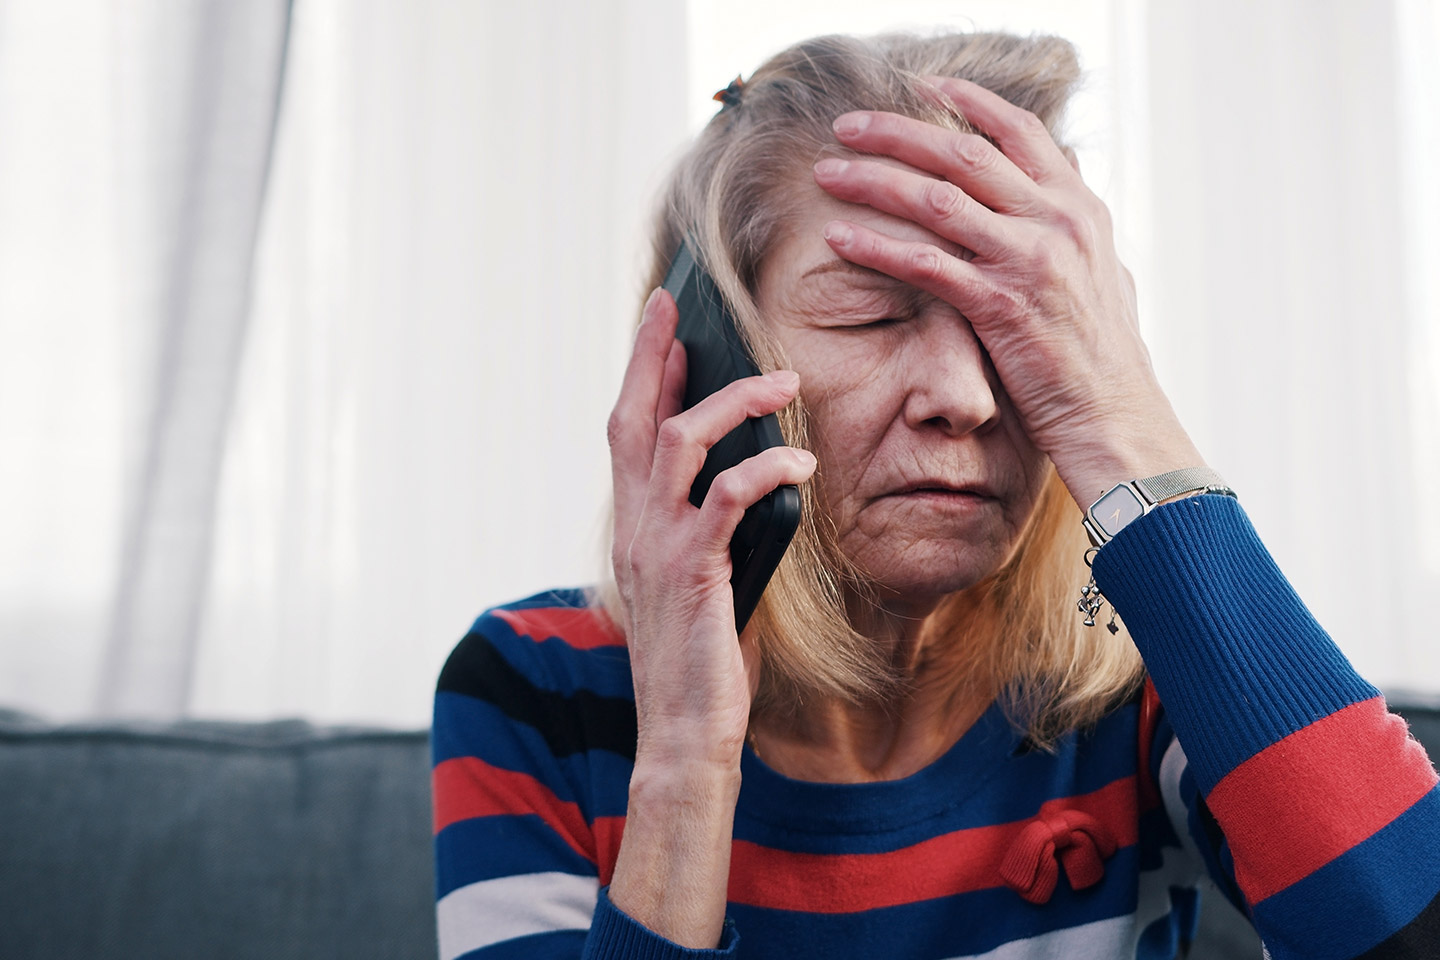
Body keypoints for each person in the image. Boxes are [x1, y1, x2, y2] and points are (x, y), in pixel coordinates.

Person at [431, 31, 1440, 960]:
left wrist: (1123, 421)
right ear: (702, 368)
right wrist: (686, 765)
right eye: (869, 315)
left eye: (1022, 326)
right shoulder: (534, 694)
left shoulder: (1144, 680)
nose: (964, 400)